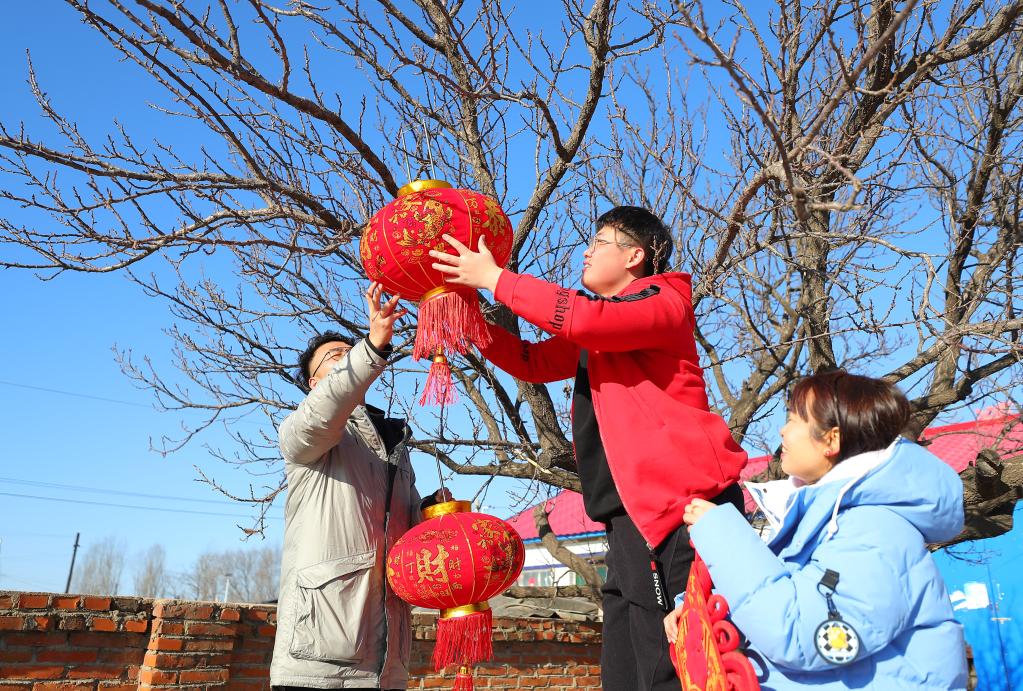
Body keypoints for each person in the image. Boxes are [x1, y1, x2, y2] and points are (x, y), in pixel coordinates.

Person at [430, 206, 748, 691]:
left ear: (635, 256)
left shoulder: (665, 301)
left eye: (600, 242)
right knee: (624, 671)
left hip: (684, 509)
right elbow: (531, 360)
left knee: (680, 666)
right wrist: (464, 317)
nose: (586, 250)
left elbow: (583, 318)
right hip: (626, 517)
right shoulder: (599, 330)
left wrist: (495, 277)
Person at [664, 370, 967, 690]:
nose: (782, 431)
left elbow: (802, 633)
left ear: (830, 440)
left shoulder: (875, 531)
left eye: (794, 419)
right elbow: (788, 598)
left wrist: (725, 539)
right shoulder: (827, 521)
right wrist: (705, 611)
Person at [271, 282, 446, 691]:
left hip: (388, 663)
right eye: (336, 356)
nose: (349, 357)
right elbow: (328, 407)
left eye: (351, 352)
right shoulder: (306, 434)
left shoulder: (395, 443)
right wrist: (373, 347)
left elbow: (398, 536)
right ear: (315, 384)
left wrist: (428, 514)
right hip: (319, 659)